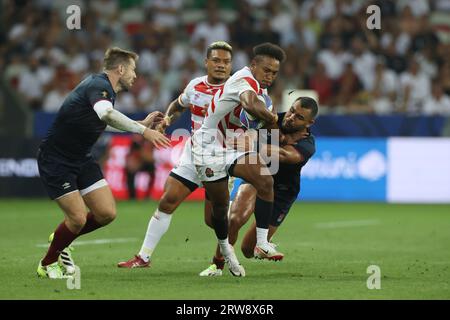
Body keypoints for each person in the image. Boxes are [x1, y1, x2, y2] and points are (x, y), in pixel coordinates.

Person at [36, 47, 171, 279]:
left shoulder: (104, 90)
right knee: (77, 219)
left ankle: (63, 237)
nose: (135, 75)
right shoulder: (98, 86)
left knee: (106, 213)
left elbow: (101, 121)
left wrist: (140, 123)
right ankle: (47, 264)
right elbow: (107, 115)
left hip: (82, 158)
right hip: (57, 160)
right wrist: (143, 132)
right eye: (132, 70)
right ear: (120, 69)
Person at [117, 41, 234, 268]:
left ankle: (221, 259)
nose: (221, 65)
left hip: (222, 159)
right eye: (217, 60)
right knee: (167, 200)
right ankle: (144, 257)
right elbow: (179, 104)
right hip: (193, 155)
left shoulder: (237, 90)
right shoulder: (195, 86)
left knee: (214, 219)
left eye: (226, 62)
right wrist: (169, 119)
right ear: (206, 62)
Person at [191, 42, 287, 277]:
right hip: (208, 148)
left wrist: (263, 133)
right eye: (266, 70)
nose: (270, 77)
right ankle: (223, 258)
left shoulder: (263, 94)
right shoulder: (243, 81)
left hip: (232, 149)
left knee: (265, 180)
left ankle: (262, 243)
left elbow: (256, 125)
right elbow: (250, 104)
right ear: (253, 65)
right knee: (217, 214)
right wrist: (274, 119)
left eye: (274, 73)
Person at [199, 96, 318, 276]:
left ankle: (262, 244)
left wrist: (255, 144)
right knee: (235, 219)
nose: (291, 117)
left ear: (309, 123)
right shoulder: (272, 120)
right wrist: (216, 111)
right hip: (259, 177)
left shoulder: (308, 144)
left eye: (299, 117)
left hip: (283, 192)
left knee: (248, 249)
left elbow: (286, 156)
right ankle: (217, 265)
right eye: (292, 110)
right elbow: (243, 120)